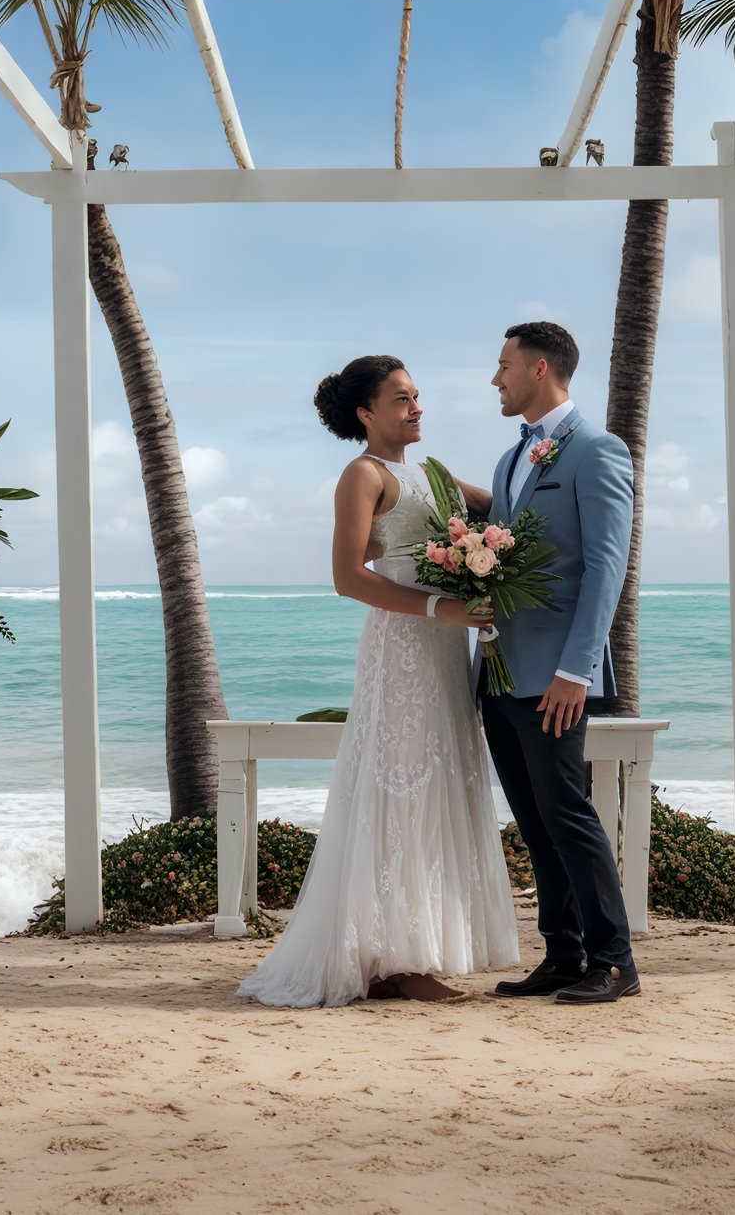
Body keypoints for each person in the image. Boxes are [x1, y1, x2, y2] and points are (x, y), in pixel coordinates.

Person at [236, 356, 521, 1007]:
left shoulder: (433, 474)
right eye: (400, 399)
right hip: (403, 650)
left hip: (447, 653)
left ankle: (416, 951)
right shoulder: (362, 474)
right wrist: (437, 604)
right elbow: (347, 575)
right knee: (404, 788)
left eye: (418, 397)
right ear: (366, 413)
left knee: (442, 781)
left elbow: (506, 508)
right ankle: (398, 963)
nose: (416, 408)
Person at [477, 321, 639, 1005]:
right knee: (536, 823)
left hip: (556, 678)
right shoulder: (510, 459)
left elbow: (607, 565)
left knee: (568, 814)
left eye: (504, 365)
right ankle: (563, 954)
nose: (496, 378)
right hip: (500, 673)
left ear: (539, 369)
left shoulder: (597, 450)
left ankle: (614, 962)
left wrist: (578, 670)